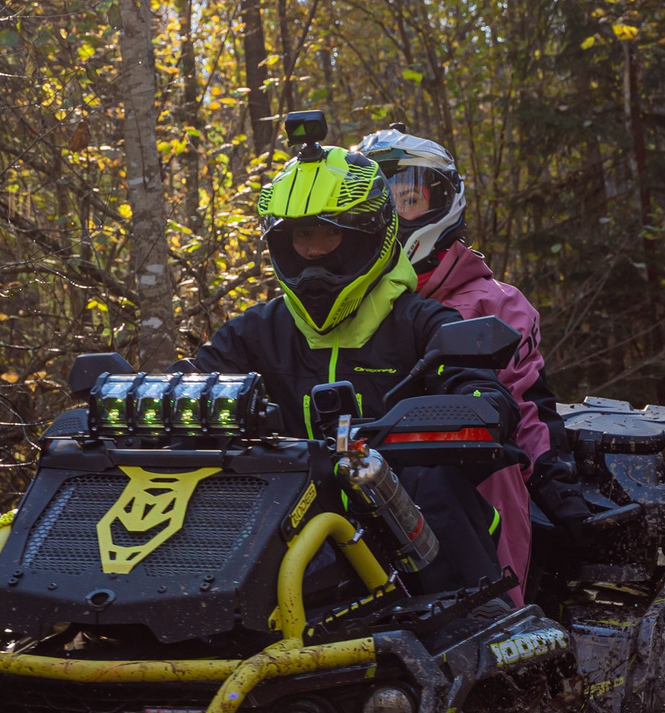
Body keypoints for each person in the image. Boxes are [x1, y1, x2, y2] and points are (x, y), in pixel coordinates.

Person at [186, 129, 519, 597]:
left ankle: (483, 629)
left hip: (411, 555)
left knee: (434, 479)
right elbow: (191, 383)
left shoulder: (423, 321)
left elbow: (486, 395)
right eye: (303, 236)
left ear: (368, 234)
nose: (315, 253)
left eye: (330, 233)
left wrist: (447, 415)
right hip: (276, 541)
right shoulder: (253, 332)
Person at [360, 128, 551, 604]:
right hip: (358, 473)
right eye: (378, 203)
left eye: (407, 199)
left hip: (464, 476)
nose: (393, 215)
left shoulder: (495, 303)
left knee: (490, 464)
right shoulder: (333, 307)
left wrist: (554, 477)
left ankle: (503, 620)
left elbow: (528, 408)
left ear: (443, 201)